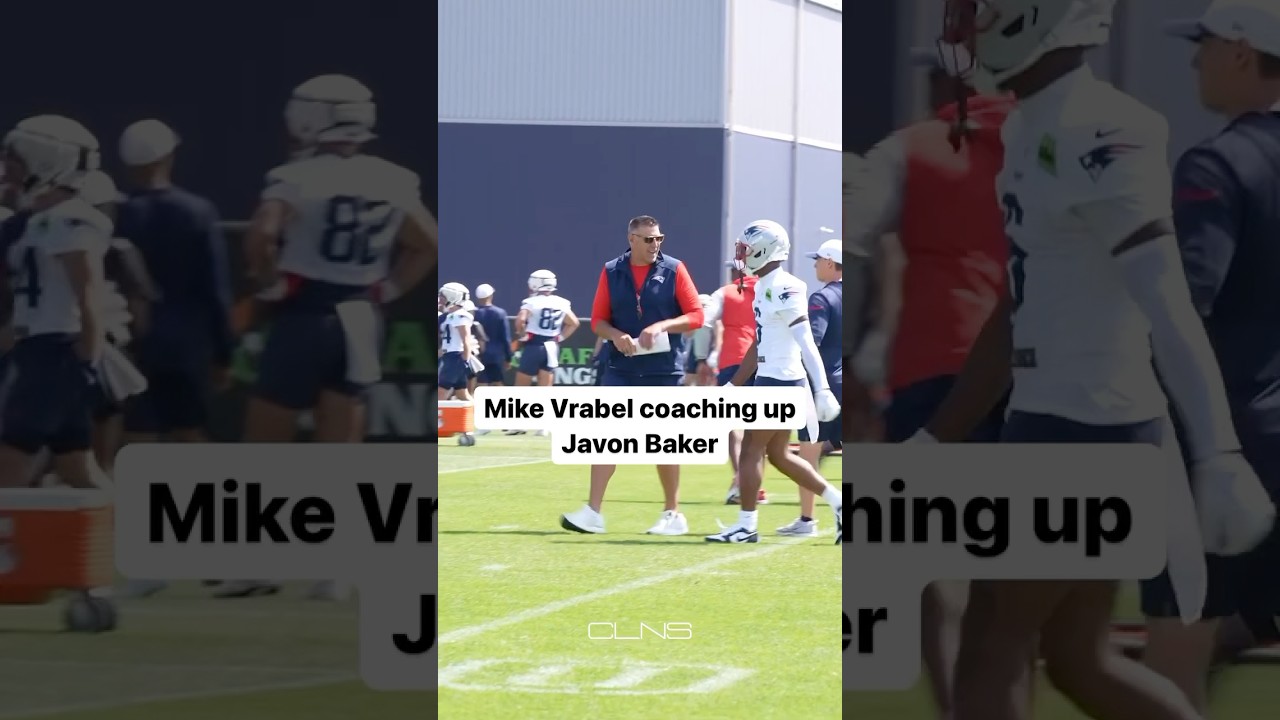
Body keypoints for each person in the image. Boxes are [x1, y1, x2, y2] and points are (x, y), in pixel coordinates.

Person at [923, 2, 1274, 719]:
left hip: (1087, 424)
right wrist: (940, 434)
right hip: (1062, 415)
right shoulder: (1031, 122)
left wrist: (1217, 451)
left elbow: (1169, 302)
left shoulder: (1102, 127)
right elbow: (1024, 300)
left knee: (993, 638)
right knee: (1079, 659)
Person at [222, 74, 437, 601]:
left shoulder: (295, 176)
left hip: (306, 312)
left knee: (266, 451)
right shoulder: (394, 178)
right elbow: (427, 243)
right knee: (341, 451)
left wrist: (269, 280)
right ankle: (337, 570)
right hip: (362, 313)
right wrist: (385, 289)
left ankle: (259, 565)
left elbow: (262, 235)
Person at [845, 49, 1013, 718]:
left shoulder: (906, 150)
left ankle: (954, 709)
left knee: (929, 562)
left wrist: (854, 358)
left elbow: (851, 251)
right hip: (1032, 373)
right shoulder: (1049, 139)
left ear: (944, 82)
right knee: (1013, 574)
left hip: (935, 367)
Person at [1140, 1, 1280, 711]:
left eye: (1204, 44)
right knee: (1246, 621)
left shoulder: (1220, 163)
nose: (1194, 60)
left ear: (1240, 52)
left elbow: (1181, 304)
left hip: (1230, 445)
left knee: (1176, 646)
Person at [559, 215, 704, 536]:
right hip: (621, 367)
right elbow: (597, 320)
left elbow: (696, 315)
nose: (656, 245)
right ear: (632, 239)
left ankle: (673, 513)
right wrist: (615, 335)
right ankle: (593, 513)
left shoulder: (675, 269)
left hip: (664, 369)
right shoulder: (612, 270)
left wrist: (662, 325)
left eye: (659, 239)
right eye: (649, 239)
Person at [706, 220, 842, 544]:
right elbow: (760, 342)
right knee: (779, 455)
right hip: (774, 378)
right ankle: (840, 503)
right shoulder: (765, 285)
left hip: (779, 381)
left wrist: (821, 388)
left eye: (748, 248)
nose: (743, 254)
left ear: (766, 249)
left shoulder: (784, 286)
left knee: (751, 449)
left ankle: (746, 525)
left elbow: (806, 340)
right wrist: (733, 385)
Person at [0, 116, 112, 492]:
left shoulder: (73, 220)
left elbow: (88, 292)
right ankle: (143, 535)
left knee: (9, 462)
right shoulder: (34, 222)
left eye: (16, 161)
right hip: (37, 349)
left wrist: (89, 357)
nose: (8, 169)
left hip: (57, 352)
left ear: (46, 161)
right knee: (77, 468)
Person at [115, 119, 232, 448]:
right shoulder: (198, 212)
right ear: (168, 157)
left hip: (132, 343)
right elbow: (216, 289)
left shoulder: (116, 216)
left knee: (136, 437)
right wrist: (224, 354)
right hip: (186, 347)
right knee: (189, 433)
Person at [777, 238, 843, 538]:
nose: (815, 264)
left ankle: (807, 520)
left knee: (808, 454)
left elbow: (810, 343)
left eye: (818, 260)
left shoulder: (821, 298)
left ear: (830, 263)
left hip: (824, 385)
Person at [705, 261, 768, 505]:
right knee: (759, 430)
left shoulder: (725, 293)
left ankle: (739, 481)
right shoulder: (767, 291)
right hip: (763, 362)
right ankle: (755, 486)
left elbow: (704, 319)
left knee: (734, 427)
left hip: (733, 362)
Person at [513, 269, 578, 387]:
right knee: (545, 389)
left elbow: (520, 320)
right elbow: (574, 323)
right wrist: (560, 337)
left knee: (520, 389)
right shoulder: (561, 303)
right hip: (552, 347)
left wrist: (523, 336)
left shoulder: (531, 302)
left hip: (534, 345)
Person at [472, 282, 512, 394]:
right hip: (496, 356)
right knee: (498, 383)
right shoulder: (500, 313)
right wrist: (508, 358)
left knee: (481, 384)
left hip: (478, 354)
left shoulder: (473, 313)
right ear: (491, 296)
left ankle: (481, 409)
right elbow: (506, 338)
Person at [438, 283, 475, 401]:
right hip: (450, 356)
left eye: (443, 296)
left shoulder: (461, 316)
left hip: (455, 357)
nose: (441, 299)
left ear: (453, 297)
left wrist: (466, 360)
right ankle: (481, 416)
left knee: (440, 393)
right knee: (462, 394)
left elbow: (466, 340)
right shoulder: (449, 316)